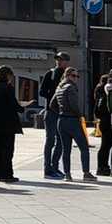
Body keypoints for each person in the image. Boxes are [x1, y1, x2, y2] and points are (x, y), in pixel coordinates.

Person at [51, 66, 94, 181]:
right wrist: (80, 115)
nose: (76, 78)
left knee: (66, 149)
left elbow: (52, 105)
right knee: (84, 147)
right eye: (73, 76)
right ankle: (86, 173)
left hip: (61, 121)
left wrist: (61, 111)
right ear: (67, 75)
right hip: (72, 121)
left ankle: (67, 174)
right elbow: (74, 105)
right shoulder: (71, 87)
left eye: (77, 76)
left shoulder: (59, 88)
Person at [0, 66, 23, 183]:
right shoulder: (8, 87)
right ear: (8, 75)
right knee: (7, 150)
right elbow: (14, 105)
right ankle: (7, 174)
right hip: (7, 123)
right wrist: (22, 108)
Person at [40, 50, 70, 178]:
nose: (58, 61)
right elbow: (42, 91)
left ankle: (55, 167)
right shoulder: (50, 73)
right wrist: (53, 97)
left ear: (66, 62)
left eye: (61, 59)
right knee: (50, 140)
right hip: (51, 111)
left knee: (61, 141)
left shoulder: (68, 75)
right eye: (58, 59)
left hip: (62, 112)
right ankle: (47, 169)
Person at [93, 74, 112, 177]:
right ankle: (102, 167)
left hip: (103, 121)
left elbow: (97, 111)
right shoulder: (104, 95)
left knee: (105, 145)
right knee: (106, 145)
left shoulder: (99, 94)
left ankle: (103, 166)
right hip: (107, 121)